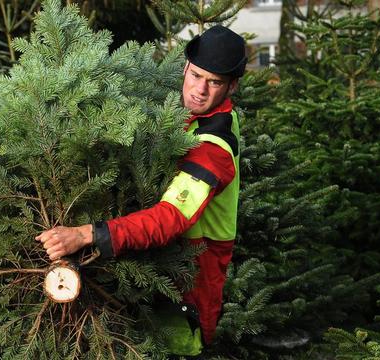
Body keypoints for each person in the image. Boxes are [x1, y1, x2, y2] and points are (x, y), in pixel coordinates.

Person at [36, 25, 247, 356]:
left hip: (189, 284)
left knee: (177, 349)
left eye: (214, 82)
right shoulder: (195, 117)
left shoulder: (213, 149)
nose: (199, 90)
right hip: (161, 268)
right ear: (185, 67)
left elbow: (170, 220)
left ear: (232, 86)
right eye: (195, 76)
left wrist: (85, 234)